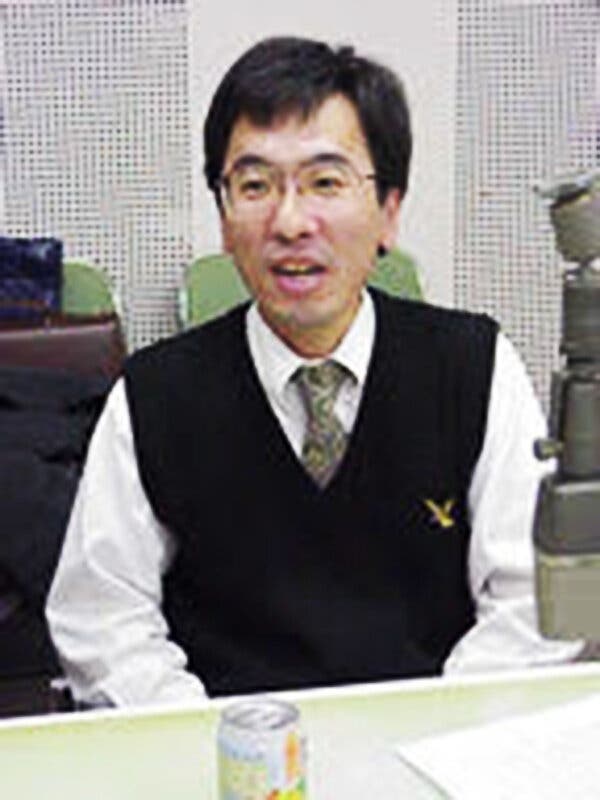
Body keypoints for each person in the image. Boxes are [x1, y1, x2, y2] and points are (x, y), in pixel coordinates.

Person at [46, 36, 581, 708]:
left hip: (427, 749)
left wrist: (426, 732)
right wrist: (219, 745)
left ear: (388, 209)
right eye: (255, 185)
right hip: (226, 758)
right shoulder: (155, 394)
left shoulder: (473, 367)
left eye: (326, 182)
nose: (291, 221)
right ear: (223, 214)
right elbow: (102, 621)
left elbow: (531, 601)